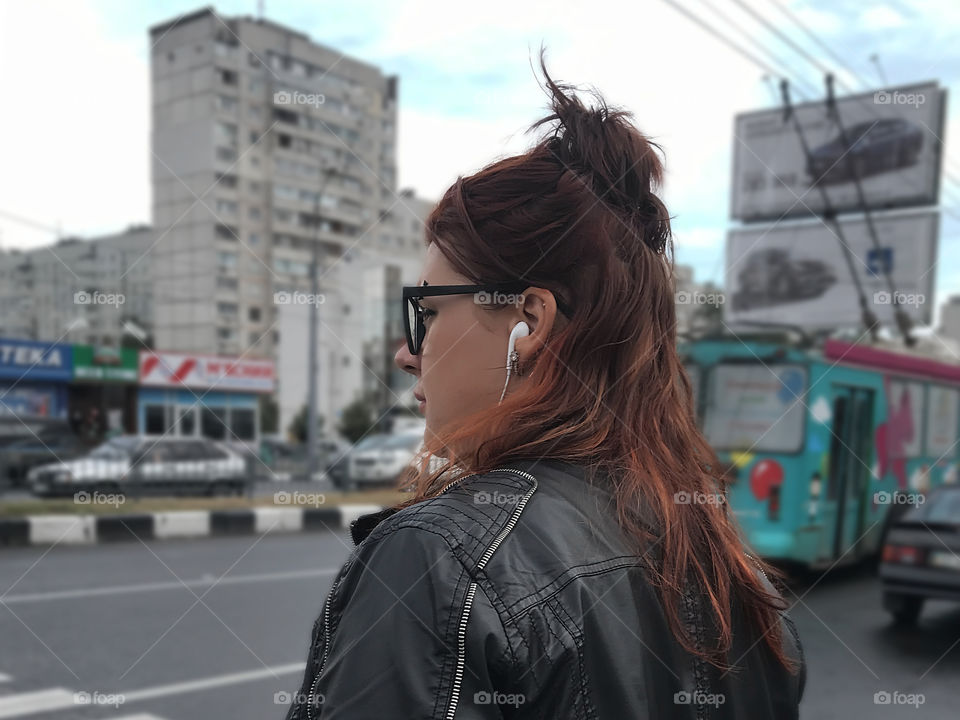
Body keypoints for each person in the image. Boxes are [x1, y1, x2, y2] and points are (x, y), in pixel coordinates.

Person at [284, 54, 805, 719]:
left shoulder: (445, 562)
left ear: (528, 322)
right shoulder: (731, 568)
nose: (406, 354)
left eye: (428, 313)